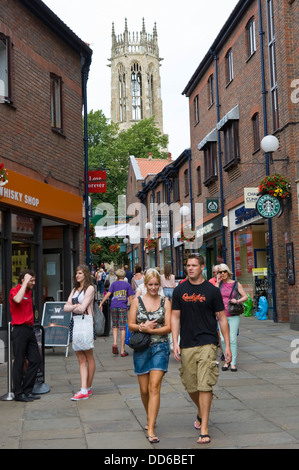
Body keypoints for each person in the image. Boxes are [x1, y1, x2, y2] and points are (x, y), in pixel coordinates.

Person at [171, 254, 232, 444]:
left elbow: (222, 318)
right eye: (188, 265)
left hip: (208, 342)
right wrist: (175, 342)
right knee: (190, 385)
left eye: (194, 265)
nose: (190, 268)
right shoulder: (180, 290)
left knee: (205, 384)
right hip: (187, 343)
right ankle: (201, 411)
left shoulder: (211, 291)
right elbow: (174, 317)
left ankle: (204, 428)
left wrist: (227, 345)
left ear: (202, 267)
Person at [128, 269, 171, 444]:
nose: (153, 287)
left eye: (156, 285)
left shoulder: (165, 301)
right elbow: (130, 325)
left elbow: (168, 327)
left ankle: (151, 428)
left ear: (159, 285)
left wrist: (150, 329)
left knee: (154, 387)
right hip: (141, 348)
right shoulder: (136, 302)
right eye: (150, 285)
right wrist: (142, 328)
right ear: (145, 285)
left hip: (160, 347)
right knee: (144, 390)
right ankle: (149, 416)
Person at [9, 269, 41, 402]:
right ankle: (18, 393)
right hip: (19, 330)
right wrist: (25, 283)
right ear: (23, 280)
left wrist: (27, 284)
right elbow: (17, 299)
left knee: (36, 359)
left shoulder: (29, 292)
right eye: (31, 280)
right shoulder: (15, 291)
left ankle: (27, 390)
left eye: (33, 280)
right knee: (19, 361)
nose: (33, 283)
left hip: (29, 329)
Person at [64, 265, 96, 400]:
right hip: (75, 323)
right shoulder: (74, 289)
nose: (77, 276)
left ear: (86, 275)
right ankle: (85, 388)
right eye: (76, 273)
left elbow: (83, 307)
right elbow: (65, 307)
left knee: (88, 356)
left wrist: (74, 307)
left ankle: (86, 387)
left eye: (80, 273)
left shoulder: (90, 288)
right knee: (80, 358)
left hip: (86, 323)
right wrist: (74, 307)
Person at [217, 263, 247, 372]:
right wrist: (217, 281)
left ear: (228, 272)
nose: (222, 274)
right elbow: (214, 295)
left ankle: (233, 363)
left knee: (233, 339)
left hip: (233, 315)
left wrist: (237, 300)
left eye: (224, 271)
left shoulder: (235, 284)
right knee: (223, 339)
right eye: (220, 272)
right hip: (221, 315)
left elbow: (245, 296)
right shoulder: (218, 284)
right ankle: (227, 361)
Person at [100, 268, 134, 357]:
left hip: (114, 306)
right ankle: (122, 350)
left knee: (115, 326)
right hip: (122, 307)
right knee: (122, 327)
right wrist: (134, 309)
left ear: (117, 276)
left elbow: (108, 294)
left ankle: (114, 343)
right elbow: (131, 299)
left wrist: (101, 303)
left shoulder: (114, 284)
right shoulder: (127, 285)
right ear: (124, 276)